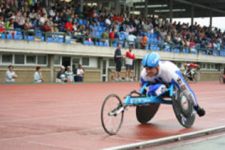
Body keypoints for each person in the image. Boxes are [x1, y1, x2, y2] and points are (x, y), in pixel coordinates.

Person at [140, 52, 205, 117]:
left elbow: (187, 90)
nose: (147, 71)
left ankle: (187, 73)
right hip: (158, 84)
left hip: (171, 79)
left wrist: (197, 107)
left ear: (157, 66)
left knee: (182, 87)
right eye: (146, 68)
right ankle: (161, 89)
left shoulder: (172, 73)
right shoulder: (144, 74)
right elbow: (143, 90)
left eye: (150, 68)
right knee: (152, 89)